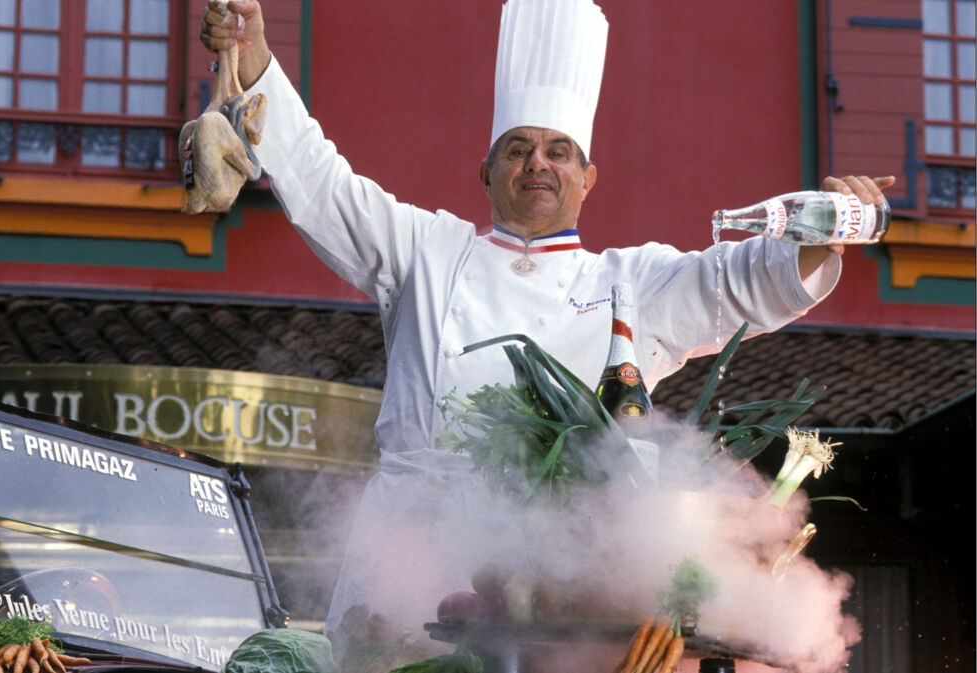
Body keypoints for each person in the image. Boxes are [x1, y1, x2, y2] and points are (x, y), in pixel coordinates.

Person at [200, 0, 894, 666]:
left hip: (553, 591)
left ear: (587, 178)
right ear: (486, 171)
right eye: (518, 148)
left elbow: (736, 281)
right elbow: (323, 186)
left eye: (559, 150)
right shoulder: (426, 251)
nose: (539, 163)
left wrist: (820, 235)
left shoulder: (631, 283)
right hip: (403, 565)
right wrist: (255, 57)